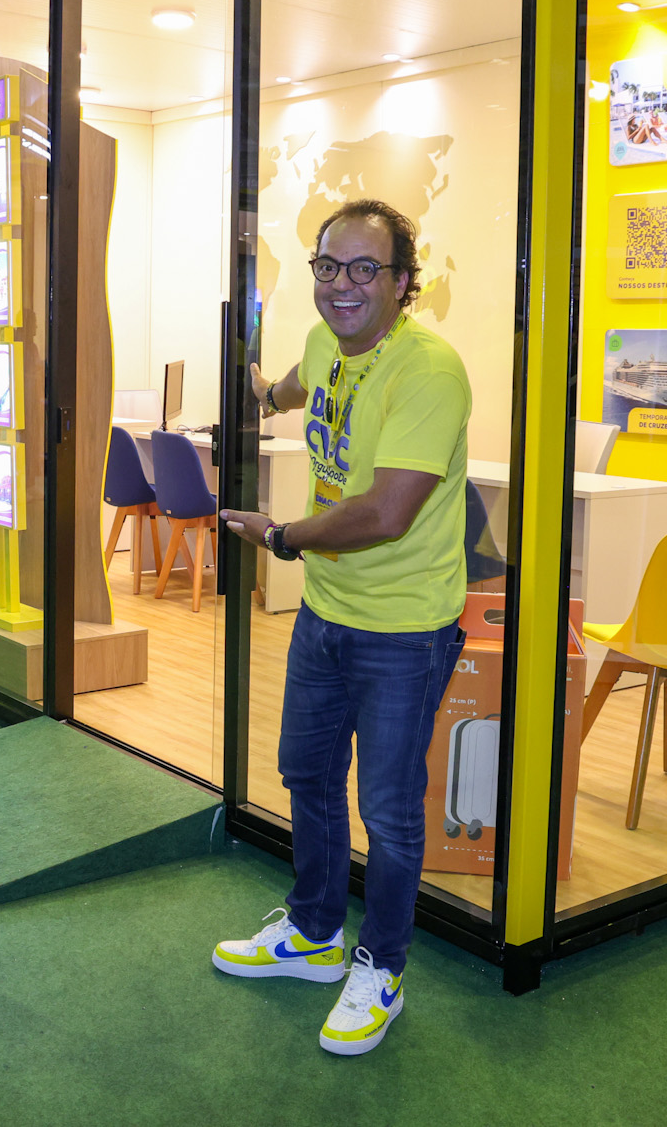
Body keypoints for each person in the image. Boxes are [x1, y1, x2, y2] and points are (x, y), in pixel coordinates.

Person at [214, 198, 472, 1057]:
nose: (342, 284)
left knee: (389, 810)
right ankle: (316, 932)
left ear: (404, 283)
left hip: (403, 628)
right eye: (329, 266)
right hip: (328, 613)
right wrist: (258, 391)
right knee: (307, 774)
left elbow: (386, 512)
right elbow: (294, 382)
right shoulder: (329, 341)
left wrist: (282, 537)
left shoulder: (429, 371)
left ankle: (382, 969)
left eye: (367, 269)